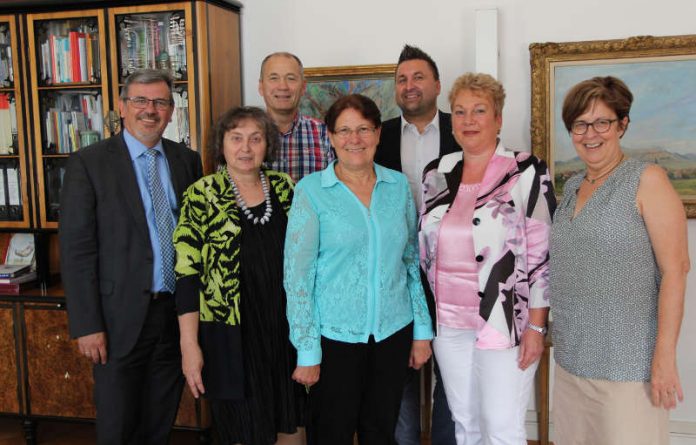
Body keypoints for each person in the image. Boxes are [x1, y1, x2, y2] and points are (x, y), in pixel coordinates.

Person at [59, 69, 203, 444]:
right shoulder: (88, 163)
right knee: (118, 424)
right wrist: (87, 324)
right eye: (140, 100)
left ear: (172, 111)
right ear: (122, 107)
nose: (149, 110)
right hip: (117, 317)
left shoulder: (187, 160)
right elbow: (77, 250)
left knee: (159, 420)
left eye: (160, 102)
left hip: (174, 315)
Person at [284, 94, 433, 445]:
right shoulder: (311, 191)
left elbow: (412, 261)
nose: (355, 139)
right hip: (334, 340)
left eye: (364, 129)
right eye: (345, 130)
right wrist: (307, 351)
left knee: (381, 433)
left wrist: (422, 330)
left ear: (378, 134)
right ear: (331, 137)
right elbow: (297, 278)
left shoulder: (397, 186)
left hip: (392, 335)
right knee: (330, 434)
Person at [549, 76, 689, 445]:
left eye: (602, 122)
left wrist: (664, 357)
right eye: (579, 124)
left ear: (622, 124)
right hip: (570, 361)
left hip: (628, 366)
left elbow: (676, 270)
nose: (590, 133)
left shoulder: (647, 180)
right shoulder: (571, 187)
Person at [419, 73, 555, 445]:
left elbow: (544, 257)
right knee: (465, 425)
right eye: (460, 112)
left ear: (498, 118)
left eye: (480, 110)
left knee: (502, 428)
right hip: (449, 323)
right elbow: (425, 251)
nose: (469, 120)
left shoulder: (526, 170)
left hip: (505, 319)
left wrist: (537, 328)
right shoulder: (437, 172)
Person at [173, 106, 304, 445]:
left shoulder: (286, 189)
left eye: (255, 139)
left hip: (285, 332)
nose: (246, 148)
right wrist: (189, 345)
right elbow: (187, 275)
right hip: (231, 338)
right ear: (222, 145)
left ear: (267, 145)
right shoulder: (200, 194)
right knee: (244, 432)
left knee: (292, 426)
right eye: (236, 138)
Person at [375, 44, 458, 445]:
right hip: (395, 269)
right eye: (402, 79)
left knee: (452, 371)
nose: (409, 86)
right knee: (398, 372)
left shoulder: (463, 131)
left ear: (437, 85)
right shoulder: (379, 136)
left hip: (454, 273)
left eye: (418, 77)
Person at [258, 51, 334, 182]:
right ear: (261, 87)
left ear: (303, 87)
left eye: (291, 78)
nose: (283, 86)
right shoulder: (243, 137)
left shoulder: (324, 133)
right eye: (274, 78)